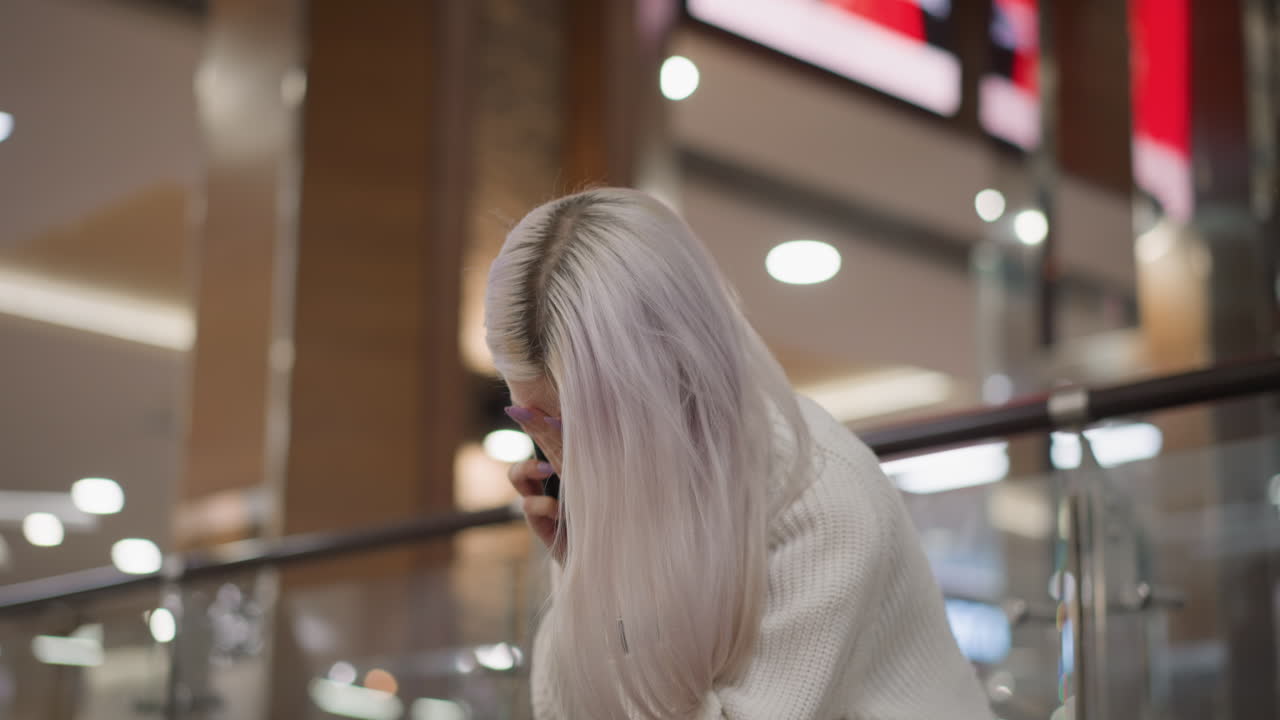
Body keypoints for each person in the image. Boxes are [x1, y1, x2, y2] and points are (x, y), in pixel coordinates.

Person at [485, 188, 991, 719]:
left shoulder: (821, 497)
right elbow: (559, 709)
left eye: (579, 430)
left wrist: (615, 581)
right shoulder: (645, 492)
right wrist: (586, 571)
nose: (567, 458)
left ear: (662, 385)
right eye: (535, 425)